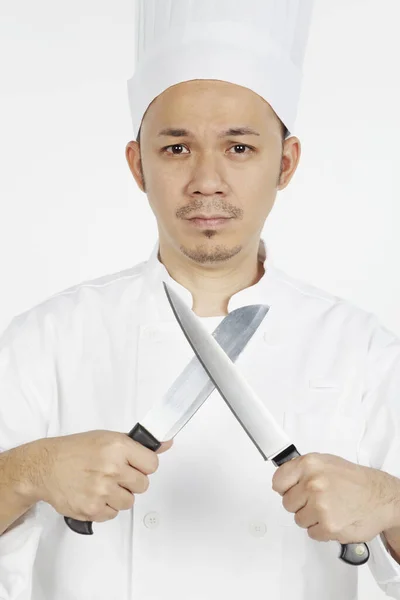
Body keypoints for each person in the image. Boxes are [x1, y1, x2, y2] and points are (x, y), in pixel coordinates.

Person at [1, 0, 400, 598]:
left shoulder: (364, 348)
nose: (207, 180)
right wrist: (27, 472)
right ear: (138, 165)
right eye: (176, 148)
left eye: (239, 148)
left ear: (285, 163)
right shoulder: (47, 336)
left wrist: (389, 503)